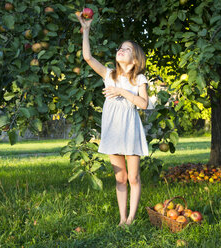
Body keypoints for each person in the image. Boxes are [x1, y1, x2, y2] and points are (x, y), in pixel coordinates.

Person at [76, 12, 149, 226]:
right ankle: (122, 218)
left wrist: (121, 92)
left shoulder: (139, 78)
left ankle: (132, 218)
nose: (120, 50)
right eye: (120, 47)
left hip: (130, 132)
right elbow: (88, 58)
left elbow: (143, 104)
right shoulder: (109, 75)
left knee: (133, 177)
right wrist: (86, 30)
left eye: (126, 49)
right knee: (120, 178)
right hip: (112, 132)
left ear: (135, 59)